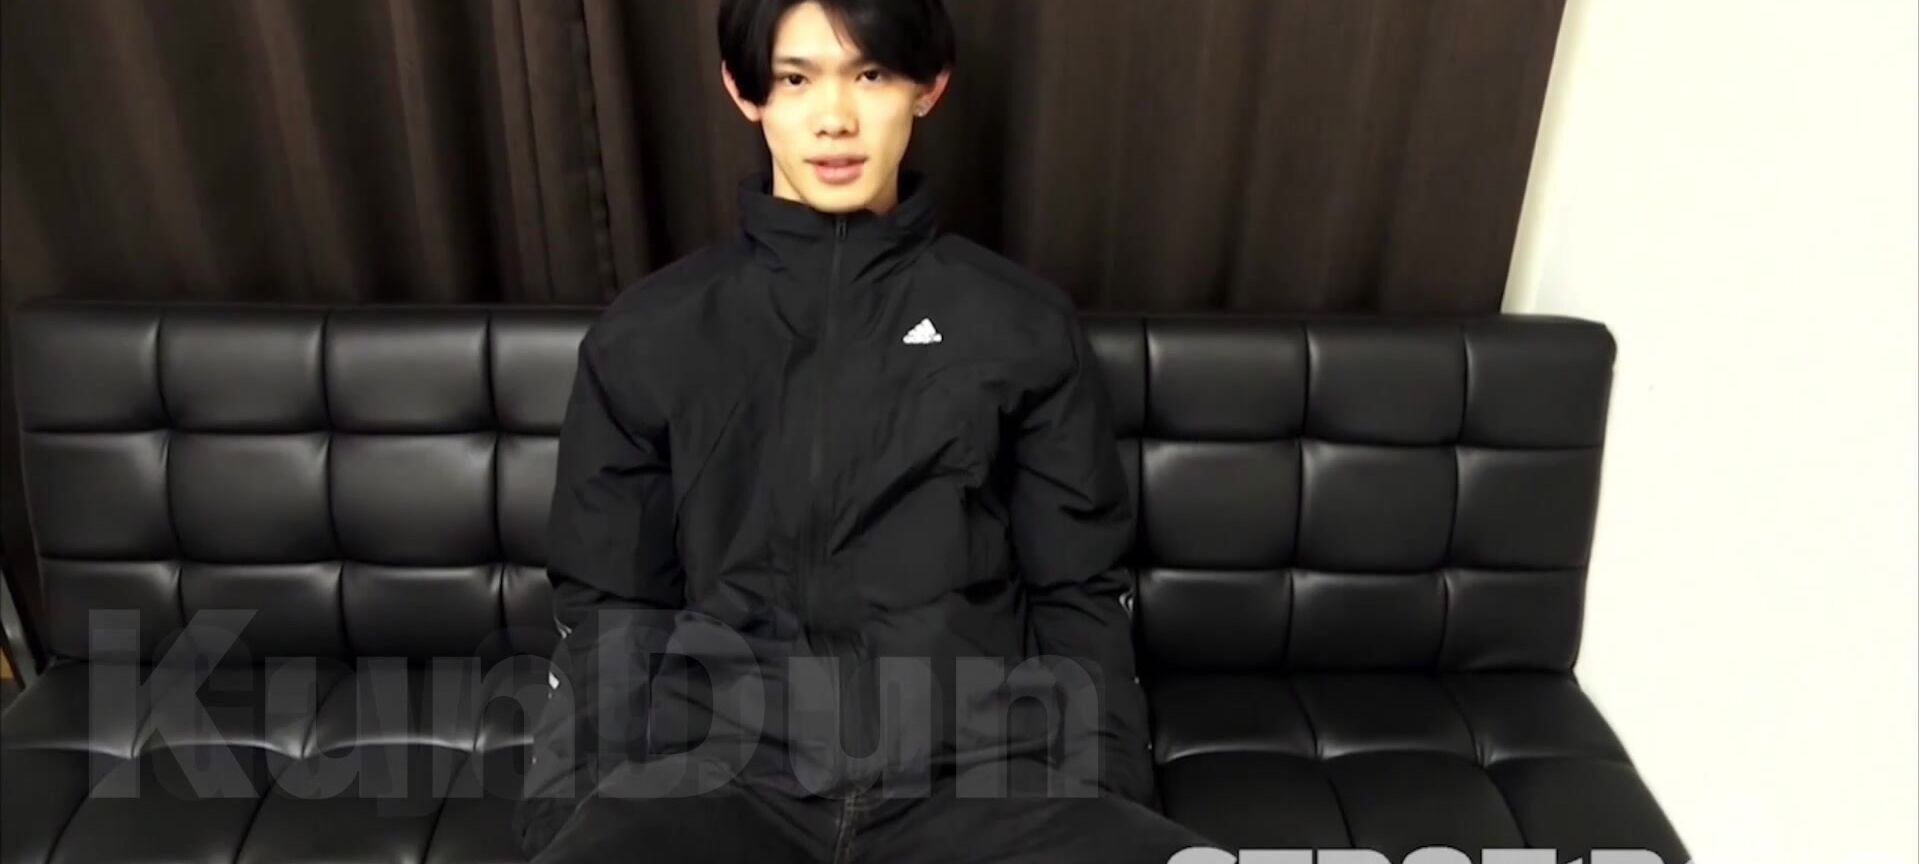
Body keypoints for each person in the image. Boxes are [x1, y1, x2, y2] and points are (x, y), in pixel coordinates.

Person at [513, 1, 1221, 861]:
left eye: (871, 74)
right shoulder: (649, 333)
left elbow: (1079, 595)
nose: (835, 118)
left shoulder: (1021, 325)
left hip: (976, 778)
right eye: (795, 78)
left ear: (928, 87)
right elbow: (609, 611)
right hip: (719, 781)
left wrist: (1105, 800)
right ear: (744, 91)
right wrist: (567, 828)